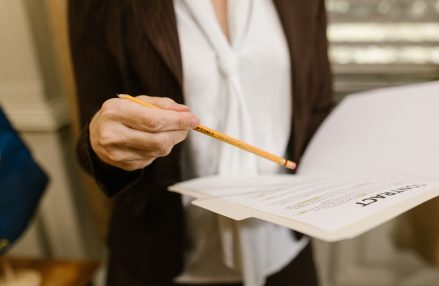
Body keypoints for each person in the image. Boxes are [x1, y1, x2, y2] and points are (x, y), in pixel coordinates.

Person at [68, 0, 334, 285]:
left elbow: (317, 108)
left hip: (286, 250)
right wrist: (105, 147)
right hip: (162, 256)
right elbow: (95, 137)